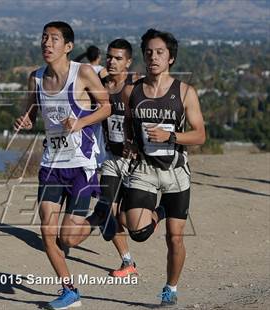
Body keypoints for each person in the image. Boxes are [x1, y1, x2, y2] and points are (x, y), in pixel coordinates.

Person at [14, 21, 110, 310]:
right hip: (51, 164)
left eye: (54, 39)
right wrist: (26, 119)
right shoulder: (36, 77)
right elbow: (30, 109)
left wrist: (80, 121)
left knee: (68, 236)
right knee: (47, 231)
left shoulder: (81, 74)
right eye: (44, 38)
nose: (47, 43)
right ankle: (70, 291)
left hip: (81, 163)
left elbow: (106, 107)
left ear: (68, 47)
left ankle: (100, 216)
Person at [121, 28, 206, 306]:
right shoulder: (131, 91)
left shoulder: (184, 92)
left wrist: (171, 136)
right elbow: (126, 123)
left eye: (160, 52)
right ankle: (159, 211)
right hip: (145, 170)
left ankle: (171, 286)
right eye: (148, 52)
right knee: (138, 231)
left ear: (170, 58)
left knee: (175, 238)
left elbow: (200, 135)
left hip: (175, 173)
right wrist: (130, 142)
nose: (153, 57)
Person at [94, 39, 141, 278]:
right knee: (106, 209)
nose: (112, 61)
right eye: (109, 57)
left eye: (118, 58)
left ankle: (161, 212)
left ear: (128, 62)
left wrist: (137, 145)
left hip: (137, 162)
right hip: (112, 158)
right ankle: (127, 261)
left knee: (133, 222)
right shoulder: (99, 85)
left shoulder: (136, 87)